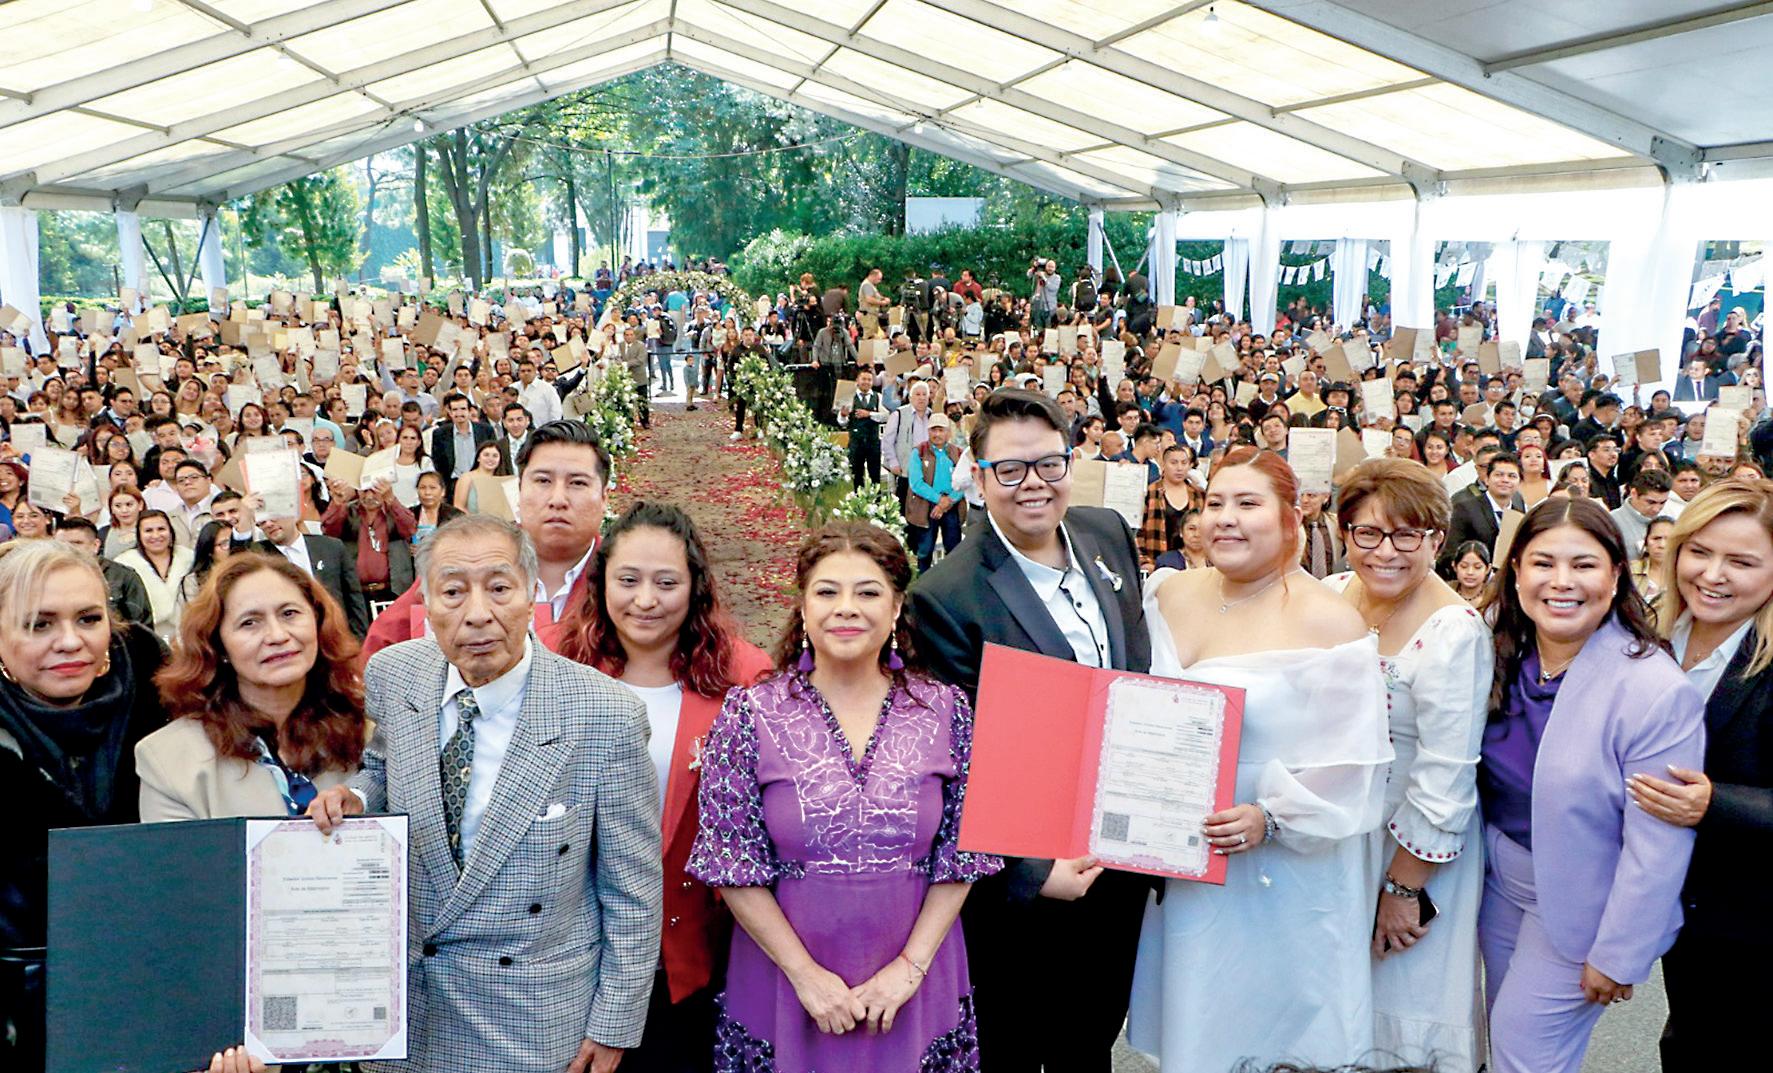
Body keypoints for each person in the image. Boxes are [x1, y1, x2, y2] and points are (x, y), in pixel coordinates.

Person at [306, 513, 662, 1073]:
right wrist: (357, 796)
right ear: (427, 603)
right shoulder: (396, 675)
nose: (477, 613)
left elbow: (633, 890)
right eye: (453, 592)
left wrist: (613, 1023)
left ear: (530, 594)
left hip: (531, 1021)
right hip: (406, 1012)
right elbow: (382, 766)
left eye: (499, 588)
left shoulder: (604, 715)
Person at [687, 521, 1002, 1072]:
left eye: (868, 592)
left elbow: (965, 851)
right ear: (804, 607)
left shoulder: (946, 710)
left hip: (916, 977)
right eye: (827, 592)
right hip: (786, 979)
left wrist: (909, 969)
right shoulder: (750, 714)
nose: (846, 608)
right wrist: (806, 978)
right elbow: (730, 862)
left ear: (897, 606)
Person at [909, 388, 1152, 1073]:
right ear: (979, 476)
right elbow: (957, 757)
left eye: (1049, 463)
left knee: (1091, 1040)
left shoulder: (1106, 533)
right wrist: (1029, 870)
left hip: (1118, 853)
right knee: (1015, 1045)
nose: (1034, 484)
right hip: (1032, 876)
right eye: (1010, 469)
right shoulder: (947, 594)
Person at [1130, 446, 1389, 1071]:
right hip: (1186, 854)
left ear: (1290, 517)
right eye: (1215, 502)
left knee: (1284, 1033)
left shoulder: (1330, 622)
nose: (1227, 517)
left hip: (1288, 866)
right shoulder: (1165, 592)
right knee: (1199, 1026)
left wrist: (1270, 817)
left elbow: (1355, 766)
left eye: (1248, 503)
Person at [1476, 497, 1705, 1073]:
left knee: (1522, 1051)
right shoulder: (1500, 647)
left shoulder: (1652, 688)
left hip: (1582, 901)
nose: (1561, 581)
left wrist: (1620, 952)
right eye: (1543, 563)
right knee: (1504, 1033)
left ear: (1616, 574)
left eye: (1583, 565)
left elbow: (1658, 843)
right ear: (1516, 571)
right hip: (1498, 884)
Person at [546, 502, 771, 1073]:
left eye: (667, 583)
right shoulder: (552, 665)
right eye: (628, 581)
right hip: (569, 954)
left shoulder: (745, 678)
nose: (645, 600)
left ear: (695, 587)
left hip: (694, 953)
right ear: (601, 583)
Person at [1325, 460, 1490, 1072]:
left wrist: (1403, 889)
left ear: (1436, 540)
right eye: (1368, 533)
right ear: (1345, 533)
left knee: (1401, 1005)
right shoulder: (1331, 593)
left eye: (1406, 535)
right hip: (1335, 833)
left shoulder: (1454, 631)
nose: (1385, 551)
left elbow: (1447, 776)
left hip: (1411, 845)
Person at [0, 541, 166, 1066]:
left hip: (151, 994)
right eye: (39, 624)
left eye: (89, 619)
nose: (70, 642)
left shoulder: (167, 699)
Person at [1626, 478, 1773, 1072]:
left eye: (1741, 562)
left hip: (1759, 917)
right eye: (1700, 552)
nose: (1713, 575)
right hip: (1680, 910)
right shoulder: (1648, 636)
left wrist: (1715, 804)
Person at [139, 554, 366, 823]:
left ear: (318, 621)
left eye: (289, 614)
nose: (277, 636)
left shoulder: (370, 731)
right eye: (249, 622)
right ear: (217, 645)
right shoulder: (170, 760)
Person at [361, 420, 608, 660]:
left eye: (577, 483)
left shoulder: (620, 575)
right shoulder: (466, 557)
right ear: (519, 490)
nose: (558, 499)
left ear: (604, 497)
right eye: (543, 481)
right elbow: (381, 647)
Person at [258, 513, 370, 639]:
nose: (268, 524)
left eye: (273, 516)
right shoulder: (258, 557)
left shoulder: (331, 547)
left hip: (336, 635)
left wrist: (360, 640)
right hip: (289, 638)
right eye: (262, 522)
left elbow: (354, 597)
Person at [51, 517, 153, 631]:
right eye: (61, 545)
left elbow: (143, 628)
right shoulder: (46, 579)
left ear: (95, 545)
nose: (68, 549)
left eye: (77, 543)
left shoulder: (123, 577)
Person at [113, 510, 194, 645]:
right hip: (146, 638)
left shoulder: (189, 557)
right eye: (148, 531)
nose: (156, 535)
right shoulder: (124, 563)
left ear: (170, 531)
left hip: (188, 635)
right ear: (139, 534)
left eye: (161, 529)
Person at [905, 414, 966, 573]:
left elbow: (964, 481)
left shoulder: (958, 453)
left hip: (951, 506)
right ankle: (924, 581)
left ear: (948, 432)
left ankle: (952, 581)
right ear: (928, 431)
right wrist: (939, 500)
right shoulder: (919, 452)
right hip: (926, 506)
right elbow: (916, 483)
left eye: (941, 430)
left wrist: (948, 501)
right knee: (925, 550)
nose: (937, 434)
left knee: (954, 549)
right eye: (933, 430)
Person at [1608, 468, 1672, 560]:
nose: (1656, 509)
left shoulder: (1671, 519)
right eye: (1651, 502)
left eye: (1662, 503)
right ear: (1634, 493)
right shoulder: (1611, 523)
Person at [840, 368, 885, 487]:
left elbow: (886, 416)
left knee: (875, 475)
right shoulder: (849, 396)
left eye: (869, 380)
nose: (866, 382)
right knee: (857, 475)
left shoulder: (878, 397)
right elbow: (842, 423)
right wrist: (843, 416)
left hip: (873, 442)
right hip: (856, 442)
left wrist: (869, 414)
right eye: (863, 379)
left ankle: (876, 498)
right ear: (857, 380)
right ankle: (858, 497)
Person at [451, 440, 514, 512]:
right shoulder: (466, 478)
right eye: (486, 455)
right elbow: (459, 507)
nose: (490, 459)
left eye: (495, 456)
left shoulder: (504, 481)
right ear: (478, 458)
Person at [1629, 516, 1676, 600]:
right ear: (1646, 542)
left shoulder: (1686, 574)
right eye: (1656, 538)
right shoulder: (1629, 571)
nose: (1662, 545)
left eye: (1669, 540)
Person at [1446, 540, 1493, 604]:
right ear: (1454, 566)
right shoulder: (1444, 590)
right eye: (1464, 566)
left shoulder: (1494, 598)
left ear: (1488, 569)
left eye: (1477, 567)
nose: (1470, 572)